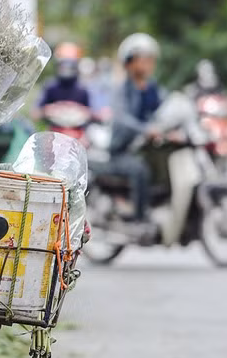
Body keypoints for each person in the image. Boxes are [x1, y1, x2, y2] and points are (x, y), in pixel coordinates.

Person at [105, 32, 167, 227]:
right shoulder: (122, 89)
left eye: (151, 59)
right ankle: (139, 219)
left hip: (145, 148)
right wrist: (146, 129)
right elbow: (122, 118)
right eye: (144, 59)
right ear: (129, 62)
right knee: (140, 170)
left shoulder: (153, 88)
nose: (149, 63)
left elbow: (166, 107)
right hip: (121, 152)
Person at [36, 41, 91, 114]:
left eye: (70, 66)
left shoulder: (83, 90)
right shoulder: (50, 87)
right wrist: (50, 109)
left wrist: (77, 109)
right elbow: (36, 113)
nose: (66, 69)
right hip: (53, 124)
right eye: (63, 66)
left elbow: (92, 112)